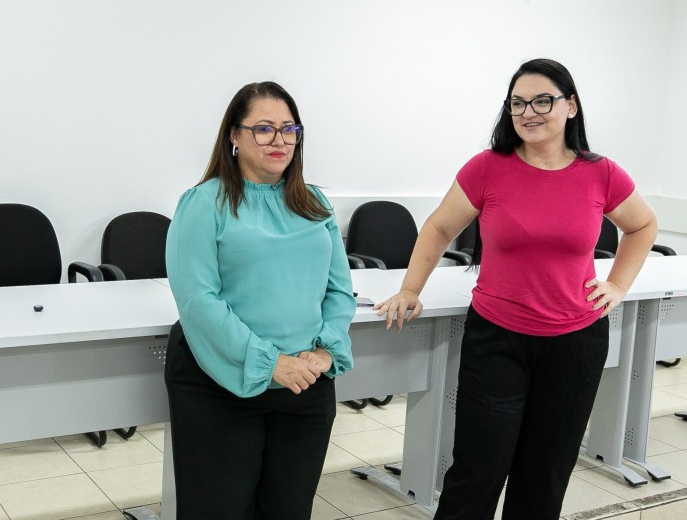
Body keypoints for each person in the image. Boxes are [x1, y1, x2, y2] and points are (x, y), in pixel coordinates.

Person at [373, 59, 657, 519]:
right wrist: (410, 288)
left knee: (545, 475)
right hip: (497, 340)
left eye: (542, 101)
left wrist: (618, 284)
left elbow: (643, 225)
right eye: (518, 103)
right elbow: (439, 227)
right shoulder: (488, 168)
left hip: (576, 344)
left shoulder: (601, 173)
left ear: (571, 106)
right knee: (477, 472)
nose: (528, 112)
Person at [164, 81, 357, 519]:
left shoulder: (314, 203)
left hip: (304, 382)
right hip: (221, 383)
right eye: (264, 129)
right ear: (234, 135)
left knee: (289, 509)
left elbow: (338, 289)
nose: (279, 140)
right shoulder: (203, 203)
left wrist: (326, 351)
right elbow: (198, 300)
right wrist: (270, 362)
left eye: (289, 129)